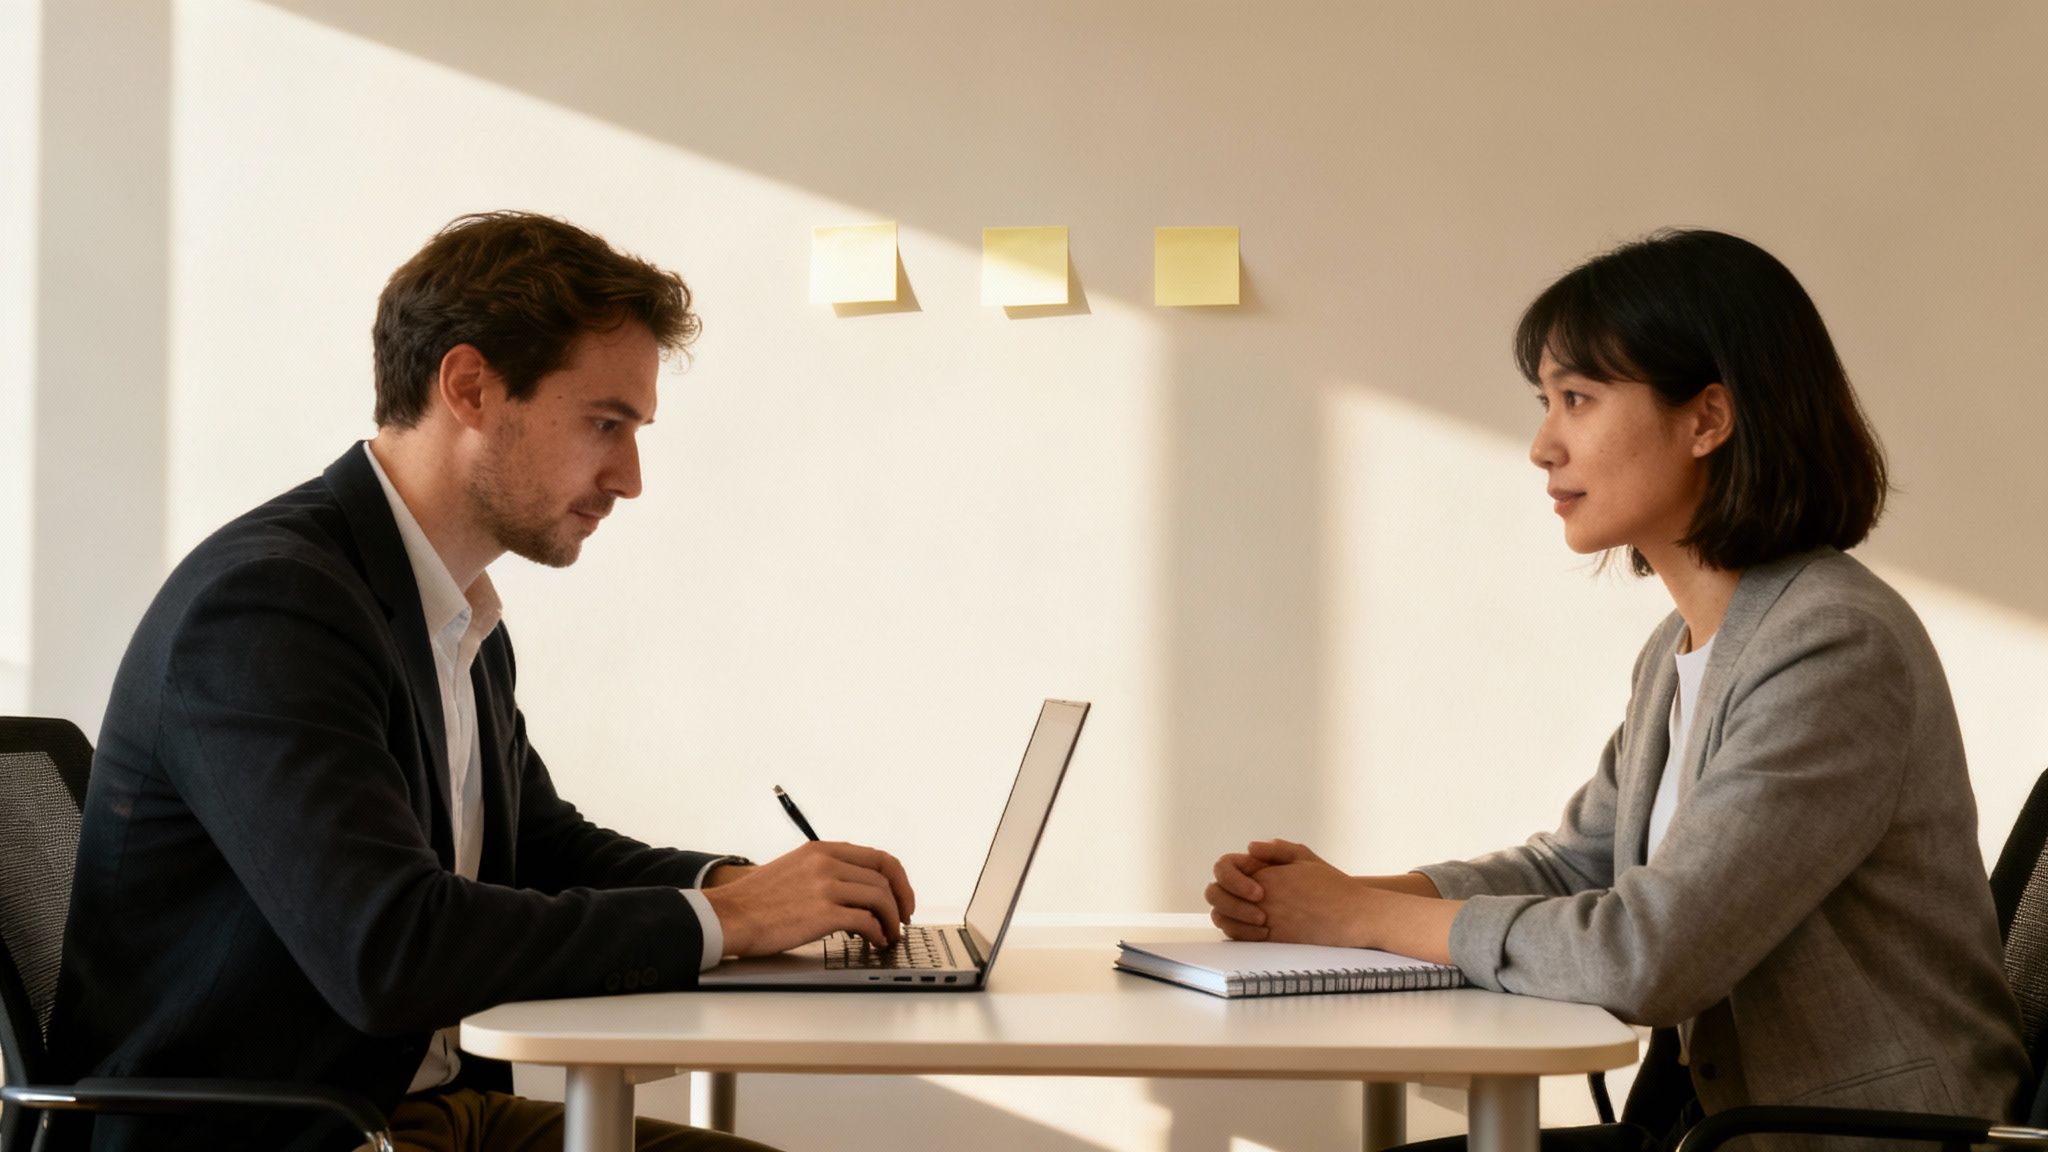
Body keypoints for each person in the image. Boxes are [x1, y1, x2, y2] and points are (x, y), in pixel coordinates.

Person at [51, 211, 918, 1152]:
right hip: (291, 1135)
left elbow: (541, 850)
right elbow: (390, 950)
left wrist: (745, 886)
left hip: (420, 1112)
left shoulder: (453, 611)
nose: (628, 477)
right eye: (605, 423)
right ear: (469, 385)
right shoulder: (270, 606)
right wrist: (726, 921)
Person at [1204, 230, 2030, 1151]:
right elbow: (1580, 867)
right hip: (1714, 1127)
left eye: (1577, 399)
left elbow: (1649, 956)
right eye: (1546, 402)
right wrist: (1340, 894)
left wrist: (1362, 918)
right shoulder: (1685, 645)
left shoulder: (1835, 644)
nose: (1541, 445)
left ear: (1707, 419)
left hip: (1856, 1140)